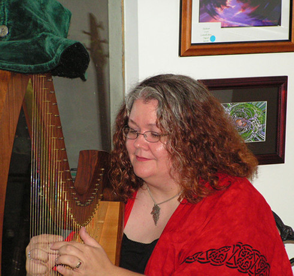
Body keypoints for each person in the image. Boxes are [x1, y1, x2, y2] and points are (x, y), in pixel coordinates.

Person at [26, 74, 293, 275]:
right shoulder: (117, 193)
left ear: (193, 139)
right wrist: (47, 265)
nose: (138, 143)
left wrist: (108, 273)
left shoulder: (233, 202)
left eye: (154, 134)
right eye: (132, 130)